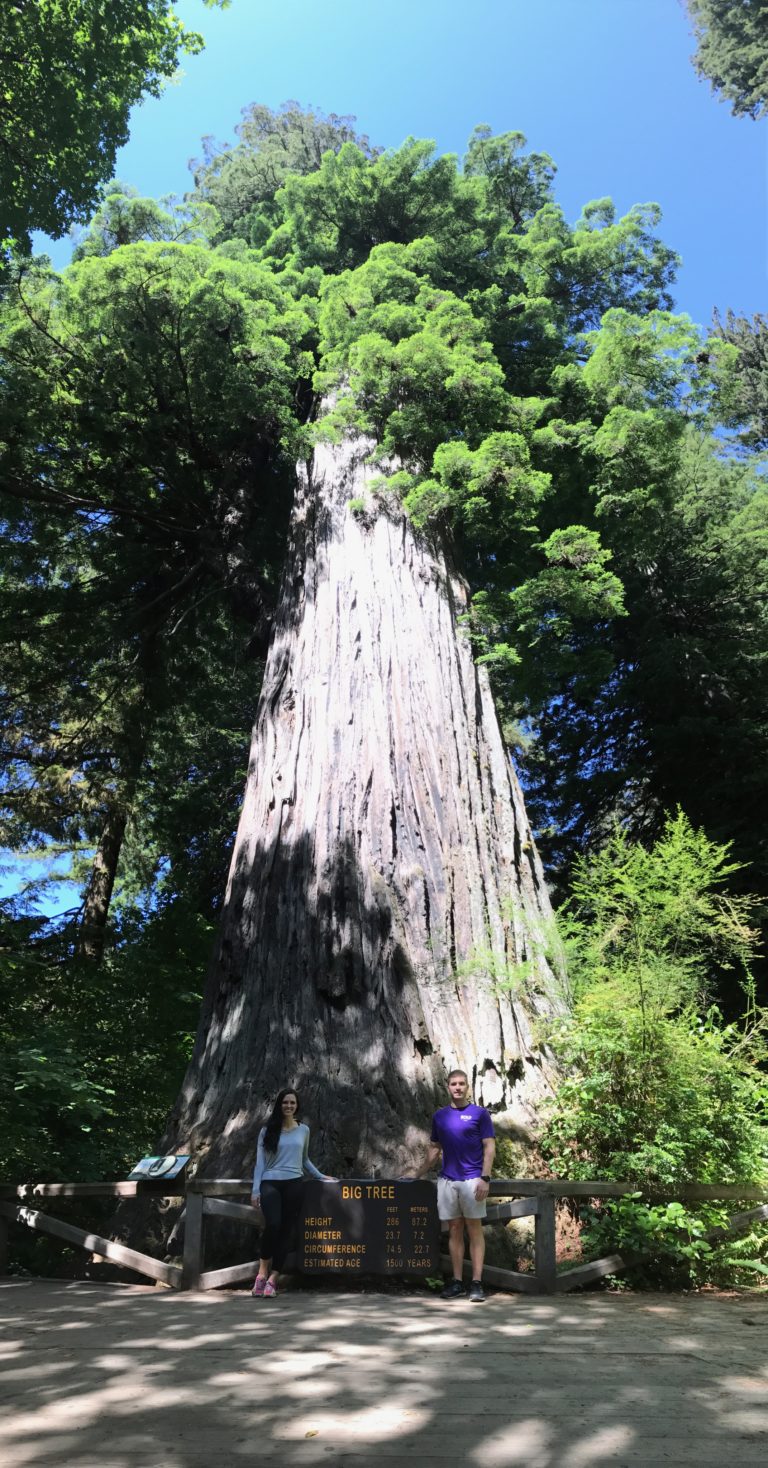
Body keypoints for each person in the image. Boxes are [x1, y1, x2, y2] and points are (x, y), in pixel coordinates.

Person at [409, 1068, 495, 1301]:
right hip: (448, 1180)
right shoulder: (440, 1116)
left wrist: (485, 1177)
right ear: (447, 1087)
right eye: (453, 1084)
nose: (457, 1087)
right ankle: (457, 1282)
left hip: (472, 1180)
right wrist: (416, 1175)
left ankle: (476, 1283)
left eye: (461, 1084)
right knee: (454, 1229)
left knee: (474, 1229)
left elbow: (489, 1146)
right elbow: (435, 1149)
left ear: (468, 1087)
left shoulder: (479, 1114)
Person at [250, 1087, 332, 1298]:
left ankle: (273, 1279)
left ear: (297, 1106)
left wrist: (320, 1176)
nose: (288, 1106)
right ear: (279, 1105)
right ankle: (261, 1274)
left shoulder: (303, 1130)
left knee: (287, 1230)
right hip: (270, 1183)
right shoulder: (267, 1130)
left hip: (294, 1183)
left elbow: (304, 1159)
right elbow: (260, 1163)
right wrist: (256, 1189)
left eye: (292, 1103)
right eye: (285, 1102)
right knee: (273, 1225)